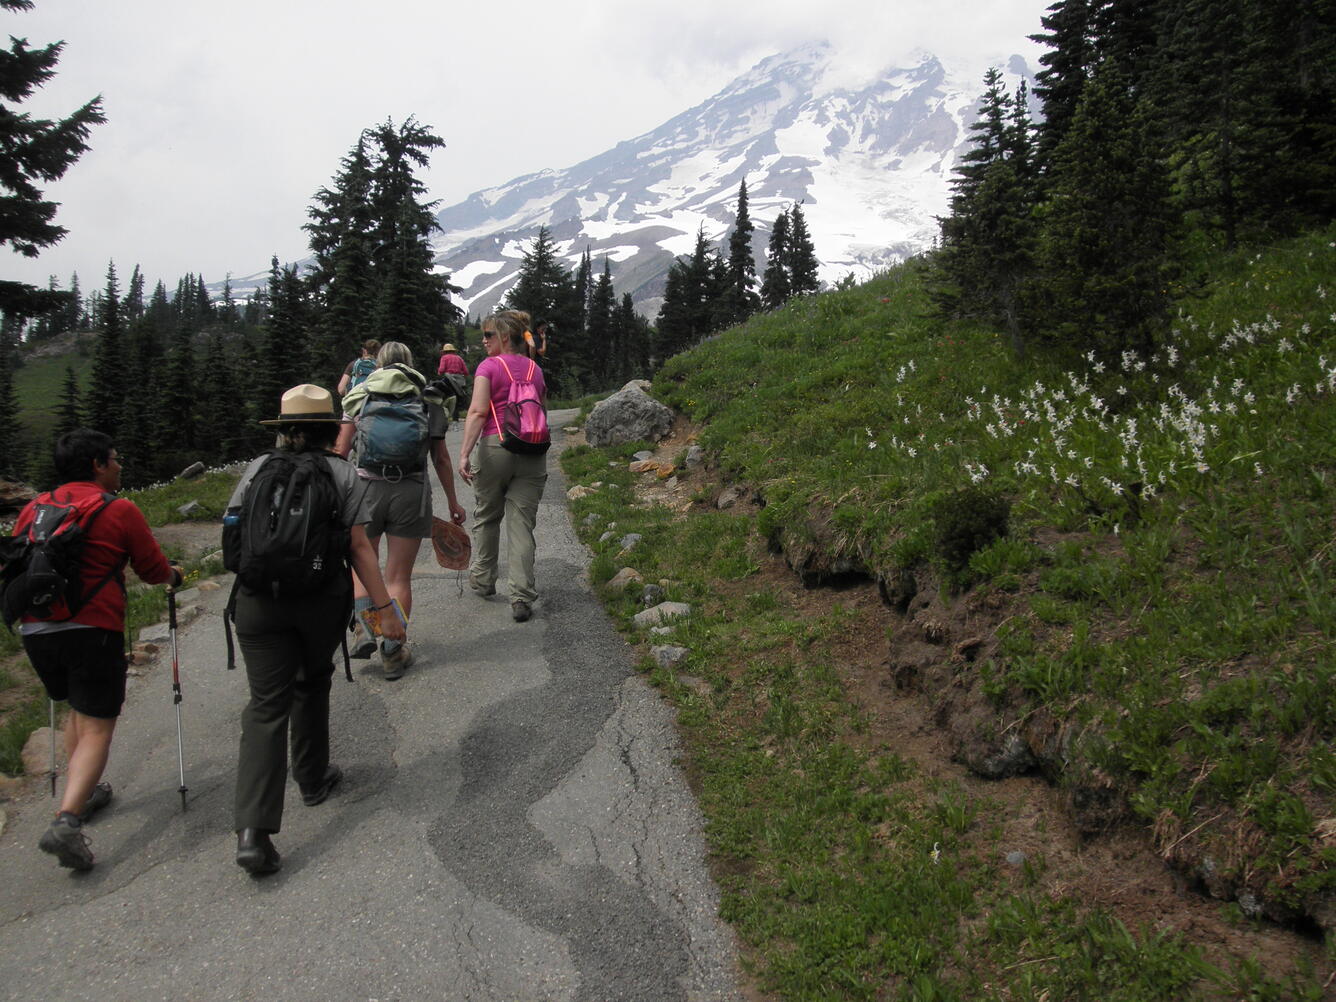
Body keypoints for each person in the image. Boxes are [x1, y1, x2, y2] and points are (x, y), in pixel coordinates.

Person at [229, 384, 404, 876]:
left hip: (257, 604)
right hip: (319, 603)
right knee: (311, 680)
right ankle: (311, 777)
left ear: (284, 431)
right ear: (331, 429)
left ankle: (253, 832)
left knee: (266, 706)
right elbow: (360, 548)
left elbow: (233, 537)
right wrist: (383, 610)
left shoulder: (256, 471)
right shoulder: (343, 474)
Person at [14, 429, 183, 871]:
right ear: (97, 465)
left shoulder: (34, 509)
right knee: (96, 725)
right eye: (115, 459)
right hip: (93, 628)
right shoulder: (117, 509)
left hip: (36, 629)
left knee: (77, 709)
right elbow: (152, 569)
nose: (120, 465)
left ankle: (83, 793)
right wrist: (175, 578)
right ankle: (67, 820)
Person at [335, 342, 466, 678]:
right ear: (410, 364)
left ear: (378, 363)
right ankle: (392, 653)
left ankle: (364, 628)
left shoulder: (360, 395)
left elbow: (340, 450)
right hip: (410, 488)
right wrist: (452, 500)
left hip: (365, 489)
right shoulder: (427, 397)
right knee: (397, 577)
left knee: (363, 565)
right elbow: (440, 457)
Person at [459, 310, 549, 623]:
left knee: (487, 514)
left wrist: (464, 454)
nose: (483, 341)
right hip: (533, 449)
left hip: (496, 445)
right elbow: (542, 410)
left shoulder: (489, 366)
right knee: (521, 523)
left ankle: (484, 580)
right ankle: (522, 596)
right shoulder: (535, 369)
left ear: (504, 338)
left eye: (488, 335)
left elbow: (477, 411)